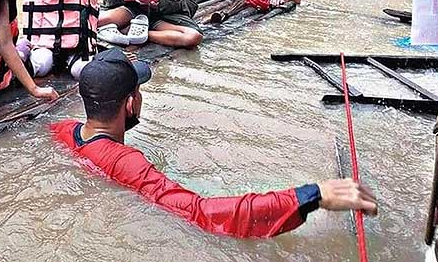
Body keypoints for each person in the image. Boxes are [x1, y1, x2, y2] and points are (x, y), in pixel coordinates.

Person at [51, 48, 379, 239]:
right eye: (139, 92)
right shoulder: (128, 162)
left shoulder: (64, 131)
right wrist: (311, 195)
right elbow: (203, 214)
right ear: (130, 104)